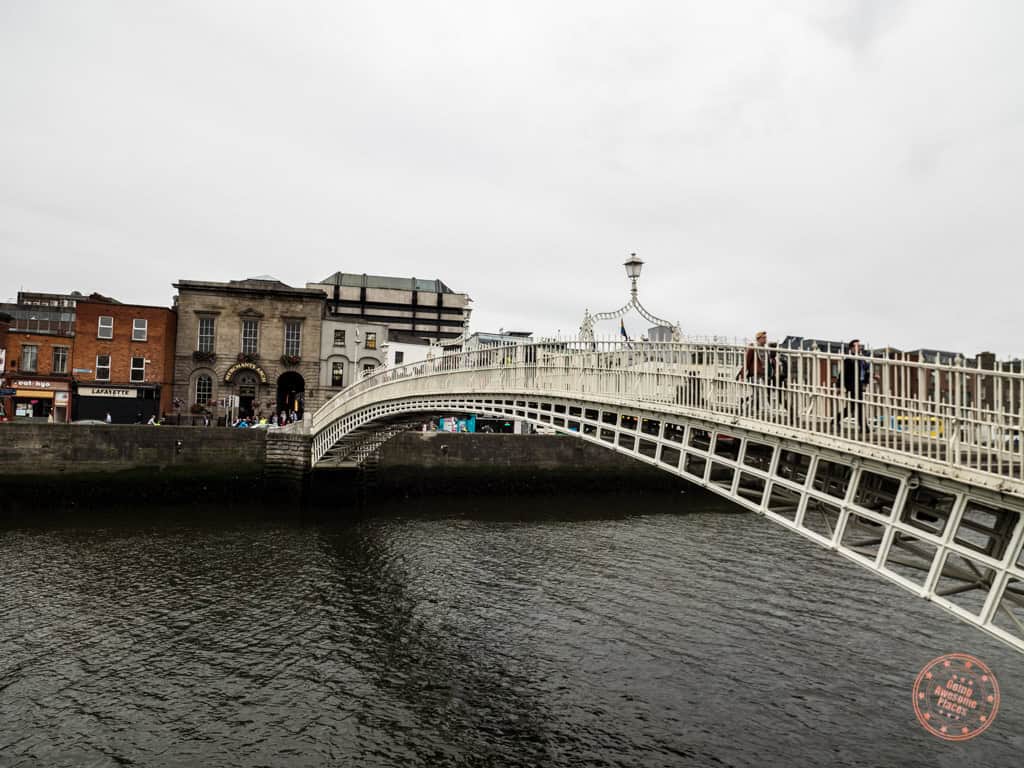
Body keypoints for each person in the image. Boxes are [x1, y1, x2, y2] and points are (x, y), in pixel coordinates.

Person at [837, 339, 871, 434]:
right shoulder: (848, 359)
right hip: (852, 385)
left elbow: (866, 371)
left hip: (859, 385)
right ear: (852, 348)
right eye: (857, 346)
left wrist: (866, 382)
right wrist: (839, 386)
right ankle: (864, 427)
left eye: (859, 346)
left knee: (852, 408)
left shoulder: (861, 358)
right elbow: (842, 373)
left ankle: (835, 421)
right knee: (858, 406)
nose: (859, 347)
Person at [738, 331, 770, 415]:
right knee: (761, 391)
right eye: (764, 337)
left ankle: (748, 408)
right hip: (754, 374)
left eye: (766, 337)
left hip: (763, 374)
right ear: (759, 339)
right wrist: (742, 376)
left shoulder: (766, 349)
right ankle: (766, 412)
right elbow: (746, 362)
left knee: (757, 394)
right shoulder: (753, 347)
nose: (766, 339)